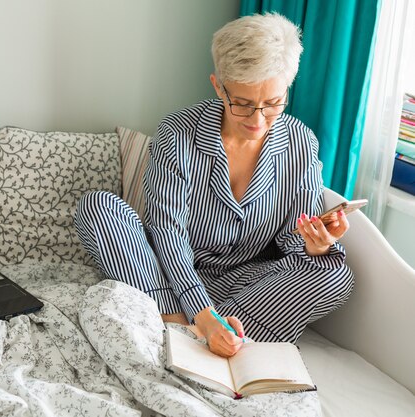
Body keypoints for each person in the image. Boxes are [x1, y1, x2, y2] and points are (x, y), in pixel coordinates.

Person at [74, 13, 354, 358]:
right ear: (218, 86)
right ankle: (180, 324)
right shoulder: (178, 131)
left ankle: (225, 334)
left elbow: (290, 245)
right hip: (165, 275)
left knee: (335, 276)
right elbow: (166, 231)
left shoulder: (301, 142)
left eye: (272, 104)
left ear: (287, 89)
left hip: (245, 283)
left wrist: (317, 245)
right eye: (243, 103)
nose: (257, 120)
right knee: (98, 206)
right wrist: (201, 313)